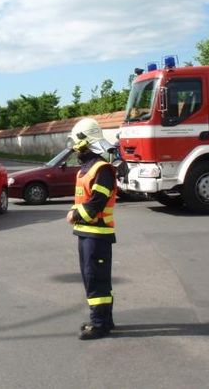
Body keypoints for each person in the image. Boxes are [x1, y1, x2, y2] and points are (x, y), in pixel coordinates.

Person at [66, 118, 118, 340]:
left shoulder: (102, 169)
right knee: (92, 277)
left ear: (85, 142)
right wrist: (75, 211)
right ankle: (104, 320)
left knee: (95, 277)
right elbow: (84, 198)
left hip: (98, 233)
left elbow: (97, 202)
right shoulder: (86, 169)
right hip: (87, 232)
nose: (75, 148)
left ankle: (99, 325)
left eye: (77, 143)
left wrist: (75, 215)